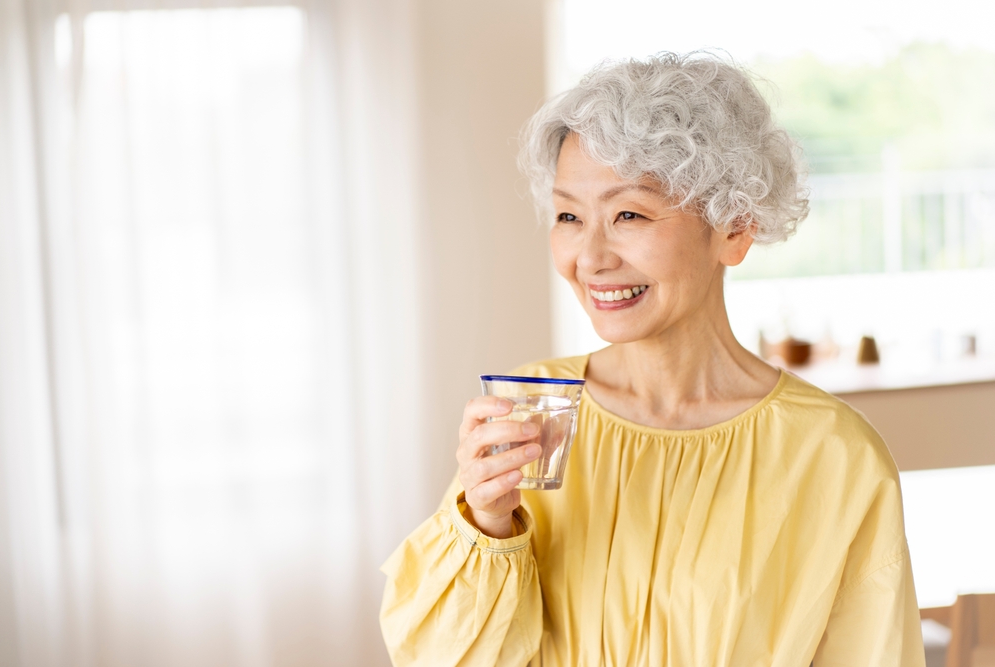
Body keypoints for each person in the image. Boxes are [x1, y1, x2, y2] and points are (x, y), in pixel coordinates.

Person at [379, 52, 926, 666]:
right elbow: (439, 656)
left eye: (629, 215)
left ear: (733, 227)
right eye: (568, 216)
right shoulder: (535, 416)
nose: (589, 257)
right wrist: (487, 523)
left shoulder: (833, 456)